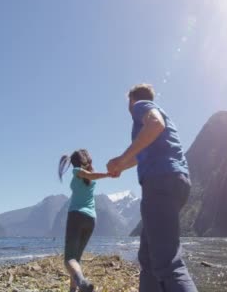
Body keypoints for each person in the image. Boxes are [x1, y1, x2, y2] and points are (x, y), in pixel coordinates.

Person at [107, 84, 198, 292]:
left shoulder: (141, 106)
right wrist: (122, 165)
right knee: (148, 258)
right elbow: (144, 152)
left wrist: (121, 158)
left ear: (131, 100)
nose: (129, 108)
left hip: (159, 182)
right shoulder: (152, 121)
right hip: (176, 182)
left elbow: (155, 125)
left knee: (168, 263)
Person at [59, 149, 115, 292]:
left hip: (76, 216)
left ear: (76, 163)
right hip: (91, 219)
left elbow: (87, 174)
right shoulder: (90, 177)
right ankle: (73, 289)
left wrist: (108, 174)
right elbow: (90, 174)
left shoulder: (78, 171)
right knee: (76, 258)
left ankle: (82, 283)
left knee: (69, 259)